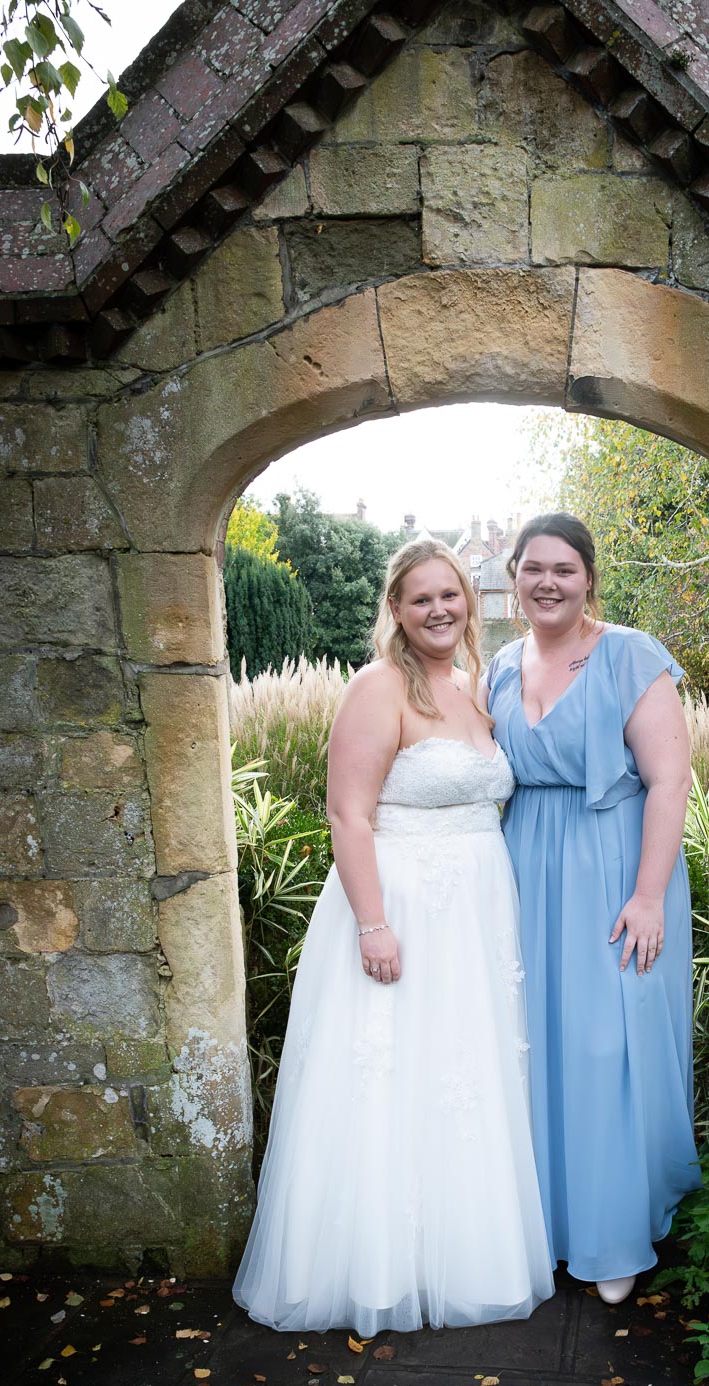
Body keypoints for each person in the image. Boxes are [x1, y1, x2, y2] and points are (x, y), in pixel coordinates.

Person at [234, 538, 555, 1335]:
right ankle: (378, 1265)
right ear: (398, 610)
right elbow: (349, 814)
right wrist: (373, 924)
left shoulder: (478, 686)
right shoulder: (378, 688)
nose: (440, 609)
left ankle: (458, 1253)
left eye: (450, 594)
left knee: (458, 1073)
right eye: (422, 599)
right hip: (402, 903)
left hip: (475, 911)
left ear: (468, 601)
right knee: (389, 1072)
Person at [485, 513, 700, 1306]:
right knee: (535, 1042)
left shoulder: (629, 655)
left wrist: (648, 896)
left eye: (564, 570)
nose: (548, 582)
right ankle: (543, 1225)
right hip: (524, 866)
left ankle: (614, 1238)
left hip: (615, 868)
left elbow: (669, 781)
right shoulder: (500, 667)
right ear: (514, 578)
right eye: (534, 568)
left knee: (607, 1044)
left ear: (589, 579)